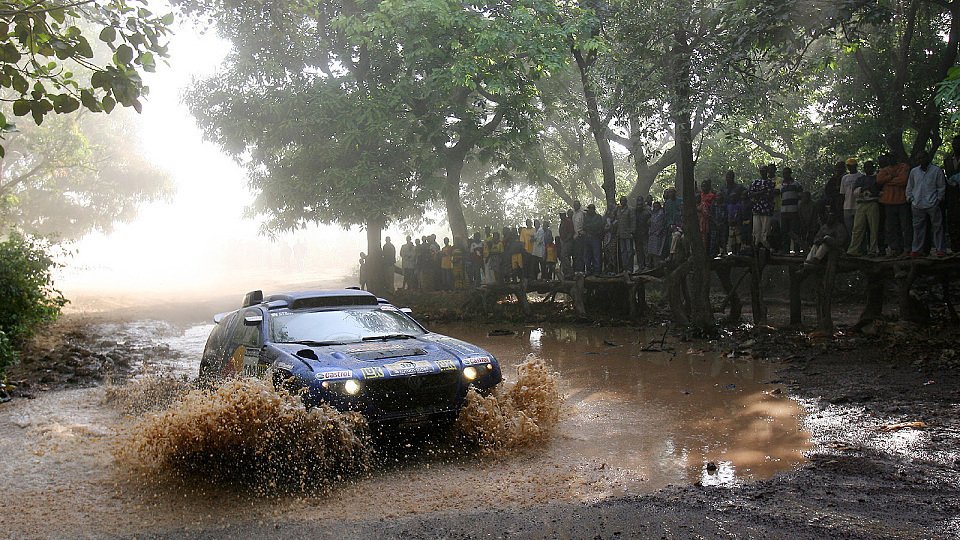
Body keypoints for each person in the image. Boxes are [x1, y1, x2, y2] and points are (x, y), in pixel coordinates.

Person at [907, 150, 947, 257]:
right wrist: (910, 198)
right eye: (918, 158)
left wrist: (938, 200)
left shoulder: (936, 171)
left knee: (937, 226)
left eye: (922, 158)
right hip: (917, 204)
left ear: (927, 158)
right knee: (917, 228)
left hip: (932, 203)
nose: (920, 160)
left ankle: (940, 249)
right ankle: (916, 250)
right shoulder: (914, 172)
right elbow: (910, 187)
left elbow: (941, 187)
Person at [877, 154, 911, 257]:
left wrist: (887, 181)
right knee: (891, 227)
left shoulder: (904, 166)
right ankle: (895, 249)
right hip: (888, 202)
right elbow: (879, 180)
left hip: (902, 201)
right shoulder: (884, 169)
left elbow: (903, 180)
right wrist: (892, 176)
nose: (890, 159)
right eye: (888, 158)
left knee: (905, 226)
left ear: (896, 158)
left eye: (892, 157)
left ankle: (907, 248)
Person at [847, 160, 881, 257]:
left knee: (874, 228)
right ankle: (853, 250)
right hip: (861, 204)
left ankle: (873, 250)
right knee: (857, 228)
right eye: (866, 167)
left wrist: (867, 189)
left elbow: (877, 190)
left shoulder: (877, 178)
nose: (867, 169)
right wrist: (865, 189)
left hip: (873, 203)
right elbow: (855, 192)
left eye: (869, 167)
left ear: (873, 168)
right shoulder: (860, 179)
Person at [748, 165, 776, 248]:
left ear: (767, 171)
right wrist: (761, 192)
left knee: (766, 232)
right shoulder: (755, 182)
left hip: (767, 210)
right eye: (761, 170)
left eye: (764, 170)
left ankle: (766, 249)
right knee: (756, 232)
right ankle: (756, 249)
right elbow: (750, 194)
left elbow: (770, 195)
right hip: (757, 209)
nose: (762, 172)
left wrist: (758, 194)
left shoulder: (770, 182)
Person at [840, 158, 864, 243]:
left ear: (856, 166)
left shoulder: (861, 176)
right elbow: (842, 193)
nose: (851, 167)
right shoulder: (844, 178)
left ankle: (862, 247)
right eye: (849, 166)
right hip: (847, 207)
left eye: (852, 166)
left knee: (859, 228)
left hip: (858, 206)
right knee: (849, 229)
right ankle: (853, 246)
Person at [779, 168, 802, 253]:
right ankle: (786, 251)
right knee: (785, 232)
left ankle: (797, 250)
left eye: (787, 173)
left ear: (790, 173)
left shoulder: (796, 184)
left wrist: (798, 210)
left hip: (794, 212)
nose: (785, 175)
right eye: (784, 173)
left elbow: (800, 197)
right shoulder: (781, 185)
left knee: (795, 232)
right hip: (784, 212)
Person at [944, 134, 960, 251]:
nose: (956, 146)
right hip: (952, 196)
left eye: (958, 144)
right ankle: (955, 247)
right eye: (954, 144)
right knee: (953, 220)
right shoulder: (948, 160)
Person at [583, 203, 604, 274]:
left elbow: (598, 226)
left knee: (596, 255)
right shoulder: (586, 217)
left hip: (596, 238)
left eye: (589, 209)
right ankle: (589, 270)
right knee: (587, 256)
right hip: (587, 238)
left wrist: (590, 227)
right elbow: (584, 226)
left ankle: (597, 271)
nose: (588, 211)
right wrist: (590, 227)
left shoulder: (598, 217)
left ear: (593, 210)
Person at [616, 196, 635, 273]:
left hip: (628, 234)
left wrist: (632, 232)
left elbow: (633, 221)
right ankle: (625, 268)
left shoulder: (630, 209)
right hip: (621, 234)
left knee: (629, 251)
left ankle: (630, 268)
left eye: (623, 201)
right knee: (623, 251)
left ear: (626, 201)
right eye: (621, 201)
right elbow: (618, 221)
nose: (622, 202)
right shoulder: (619, 210)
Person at [647, 201, 666, 267]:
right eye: (654, 206)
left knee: (657, 252)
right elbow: (650, 223)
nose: (655, 208)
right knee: (651, 252)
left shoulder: (661, 214)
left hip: (658, 235)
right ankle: (651, 265)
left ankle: (657, 266)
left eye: (656, 206)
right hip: (652, 234)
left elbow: (661, 224)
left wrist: (657, 232)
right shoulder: (653, 214)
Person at [634, 197, 651, 270]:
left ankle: (648, 265)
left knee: (646, 250)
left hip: (645, 233)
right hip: (637, 234)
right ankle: (641, 266)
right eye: (638, 204)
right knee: (639, 251)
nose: (639, 206)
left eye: (640, 204)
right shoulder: (634, 212)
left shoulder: (647, 212)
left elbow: (651, 221)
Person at [559, 209, 575, 278]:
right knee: (565, 256)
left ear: (564, 215)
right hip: (563, 241)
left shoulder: (568, 221)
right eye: (560, 215)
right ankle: (566, 273)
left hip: (568, 241)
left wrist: (566, 240)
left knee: (564, 255)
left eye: (561, 215)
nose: (560, 216)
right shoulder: (562, 222)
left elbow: (571, 232)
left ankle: (570, 271)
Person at [572, 200, 585, 273]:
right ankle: (577, 270)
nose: (575, 206)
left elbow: (584, 224)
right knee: (576, 254)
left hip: (581, 236)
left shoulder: (582, 214)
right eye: (574, 205)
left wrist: (581, 232)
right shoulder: (574, 215)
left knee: (581, 254)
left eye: (577, 205)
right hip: (575, 237)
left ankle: (581, 270)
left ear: (579, 205)